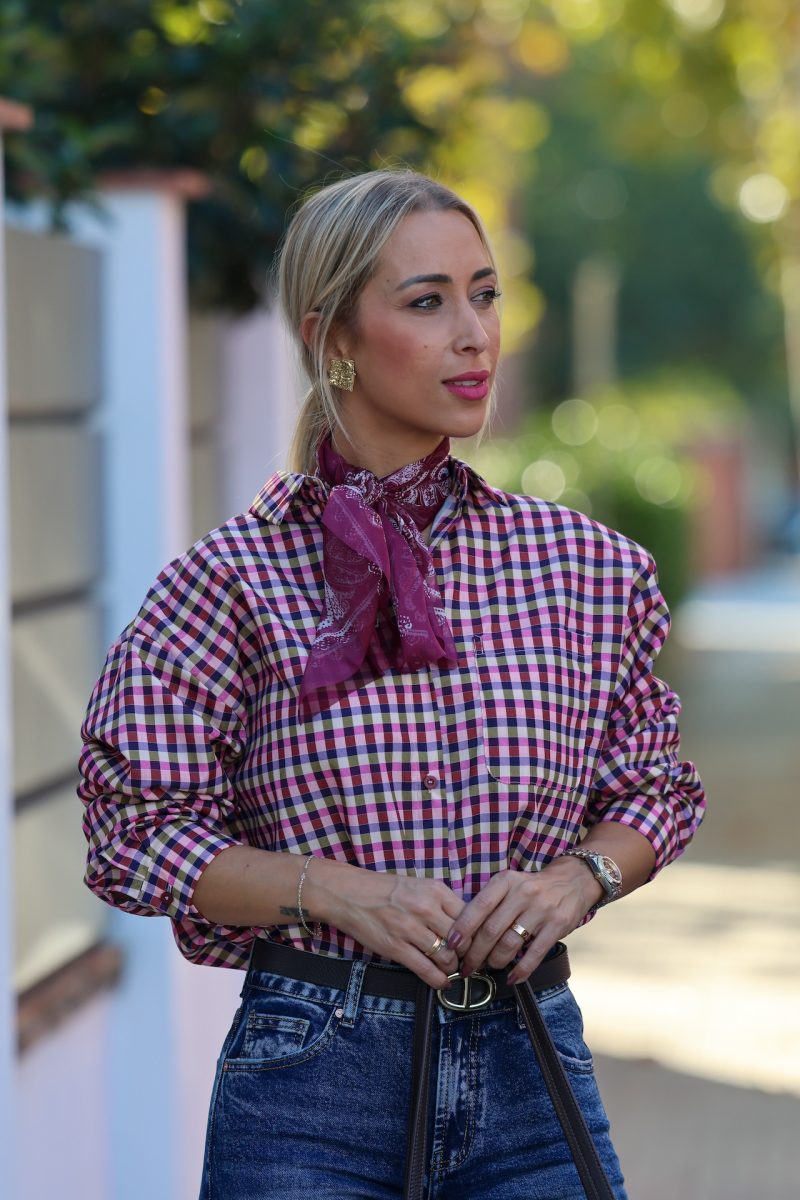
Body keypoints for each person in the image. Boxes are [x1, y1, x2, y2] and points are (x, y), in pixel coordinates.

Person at [78, 168, 705, 1200]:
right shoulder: (225, 584)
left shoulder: (587, 569)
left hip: (529, 1062)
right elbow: (132, 831)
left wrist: (576, 877)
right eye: (426, 302)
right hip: (309, 1085)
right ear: (333, 339)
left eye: (484, 295)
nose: (473, 334)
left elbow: (654, 787)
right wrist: (330, 888)